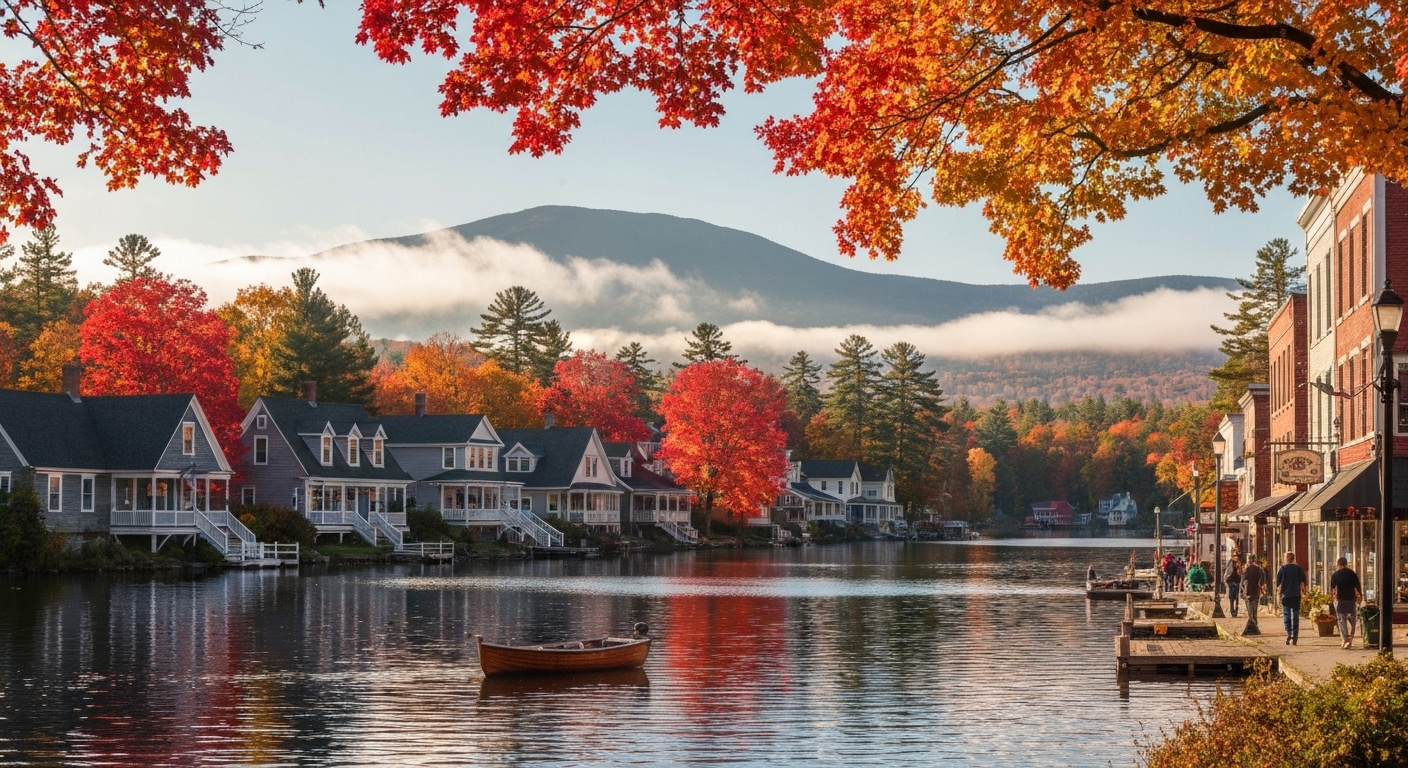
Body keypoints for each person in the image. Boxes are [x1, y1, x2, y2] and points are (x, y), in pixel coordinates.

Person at [1329, 556, 1363, 650]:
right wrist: (1360, 595)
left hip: (1340, 600)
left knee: (1341, 620)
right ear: (1346, 564)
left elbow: (1333, 588)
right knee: (1353, 619)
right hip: (1351, 600)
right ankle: (1350, 637)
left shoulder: (1335, 574)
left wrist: (1333, 598)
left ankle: (1345, 639)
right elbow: (1358, 586)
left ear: (1338, 564)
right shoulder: (1352, 573)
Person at [1276, 551, 1309, 645]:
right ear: (1294, 558)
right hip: (1296, 595)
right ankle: (1295, 634)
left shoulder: (1283, 568)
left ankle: (1289, 632)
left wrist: (1279, 593)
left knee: (1286, 614)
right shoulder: (1298, 568)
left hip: (1286, 595)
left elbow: (1280, 584)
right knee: (1295, 615)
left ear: (1286, 558)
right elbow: (1303, 582)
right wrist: (1304, 592)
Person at [1242, 556, 1266, 633]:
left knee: (1249, 608)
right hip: (1256, 590)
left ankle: (1251, 622)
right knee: (1255, 608)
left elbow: (1242, 581)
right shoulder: (1259, 569)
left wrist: (1243, 590)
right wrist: (1260, 585)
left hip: (1248, 590)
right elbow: (1263, 579)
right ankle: (1255, 623)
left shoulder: (1246, 570)